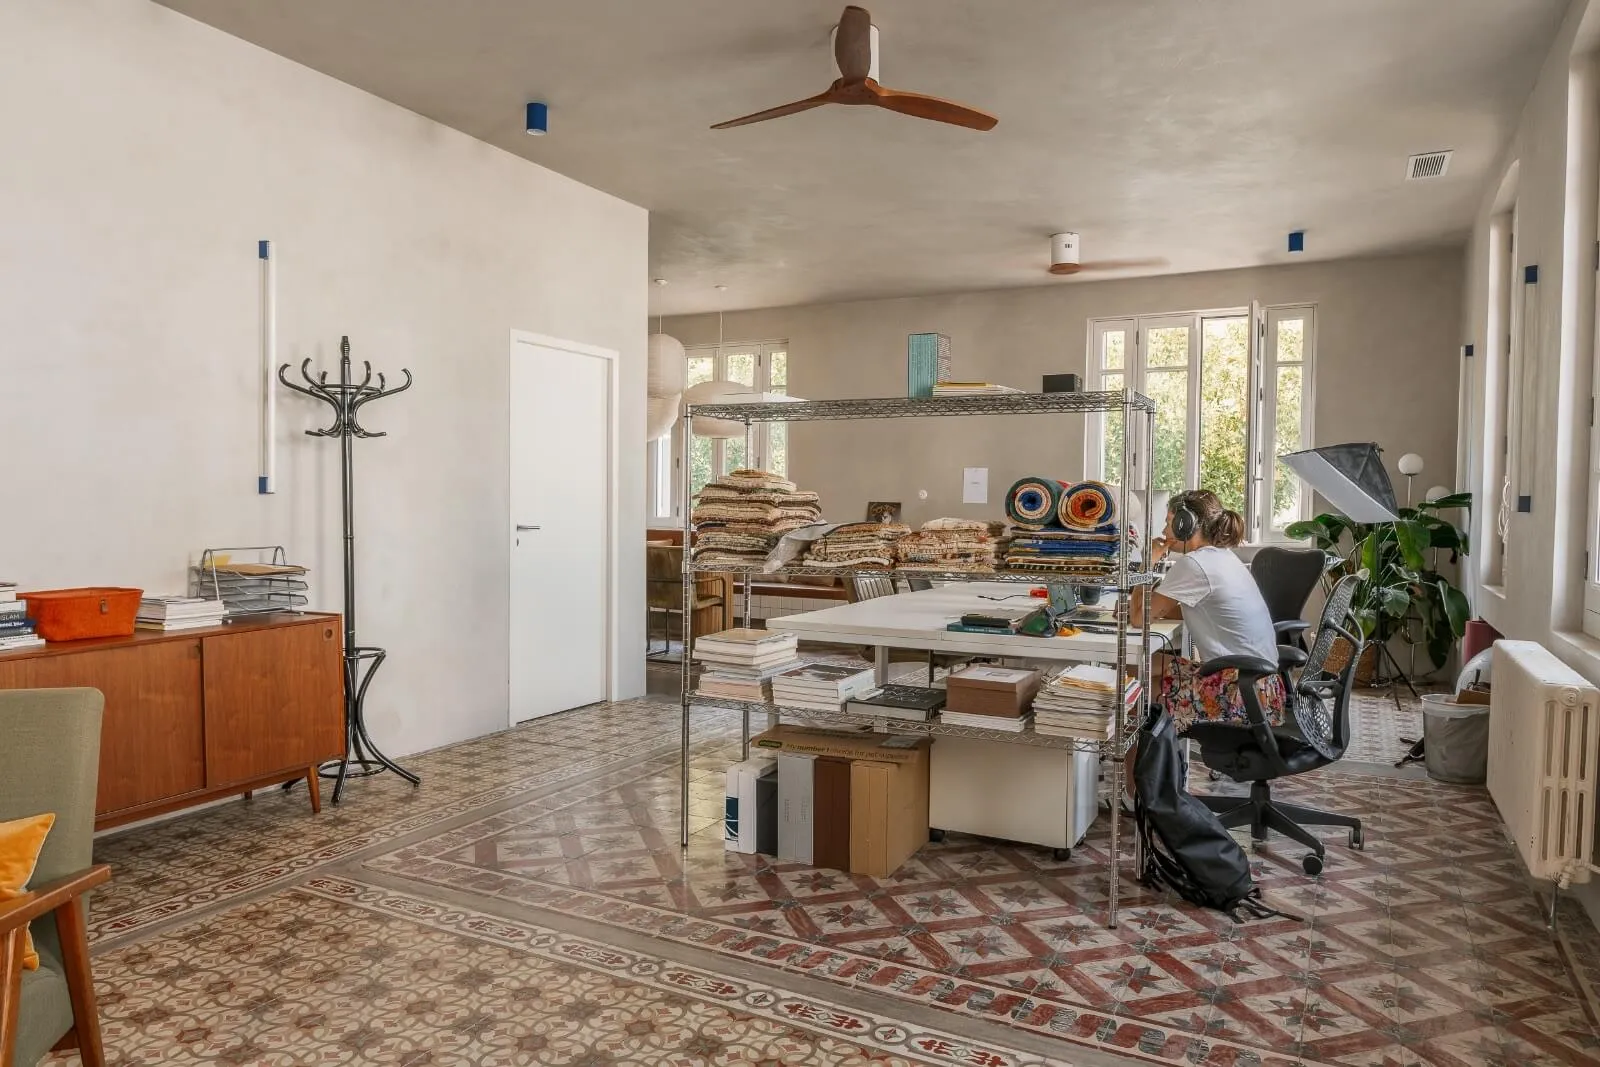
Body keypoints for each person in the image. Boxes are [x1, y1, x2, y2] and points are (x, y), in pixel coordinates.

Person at [1124, 489, 1285, 805]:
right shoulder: (1222, 558)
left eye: (1170, 523)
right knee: (1136, 673)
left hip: (1237, 693)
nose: (1164, 532)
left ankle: (1139, 798)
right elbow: (1170, 609)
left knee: (1132, 690)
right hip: (1260, 686)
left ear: (1187, 525)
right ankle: (1158, 782)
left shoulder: (1194, 565)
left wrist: (1147, 561)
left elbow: (1138, 618)